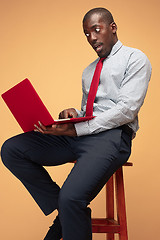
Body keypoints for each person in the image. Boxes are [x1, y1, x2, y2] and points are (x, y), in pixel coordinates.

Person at [1, 7, 151, 240]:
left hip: (112, 138)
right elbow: (91, 112)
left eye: (96, 30)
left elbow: (126, 110)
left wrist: (78, 128)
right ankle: (66, 212)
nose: (91, 38)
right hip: (82, 134)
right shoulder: (88, 71)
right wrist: (73, 114)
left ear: (113, 28)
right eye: (87, 34)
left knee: (72, 197)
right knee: (11, 149)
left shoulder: (135, 59)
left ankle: (68, 208)